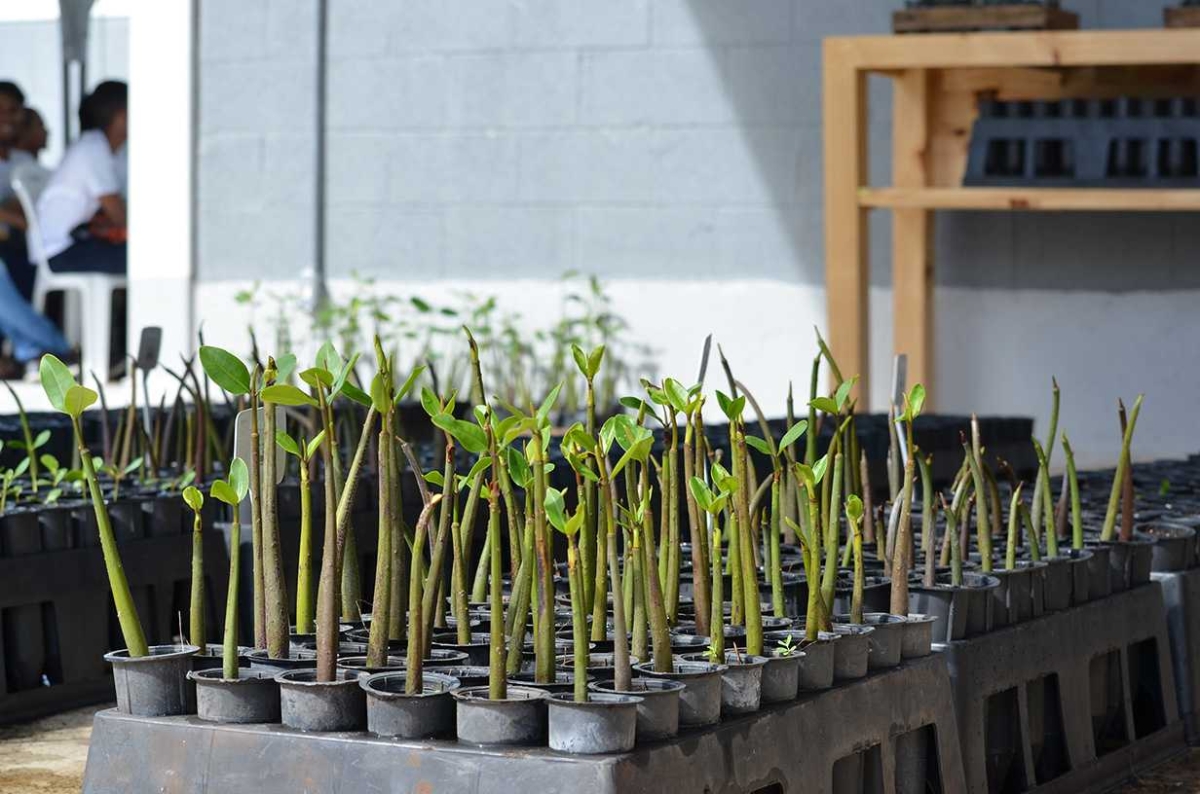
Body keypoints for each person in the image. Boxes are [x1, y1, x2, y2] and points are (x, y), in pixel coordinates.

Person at [37, 80, 127, 276]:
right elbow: (119, 215)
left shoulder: (109, 150)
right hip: (62, 251)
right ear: (122, 116)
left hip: (77, 244)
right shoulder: (93, 148)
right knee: (149, 256)